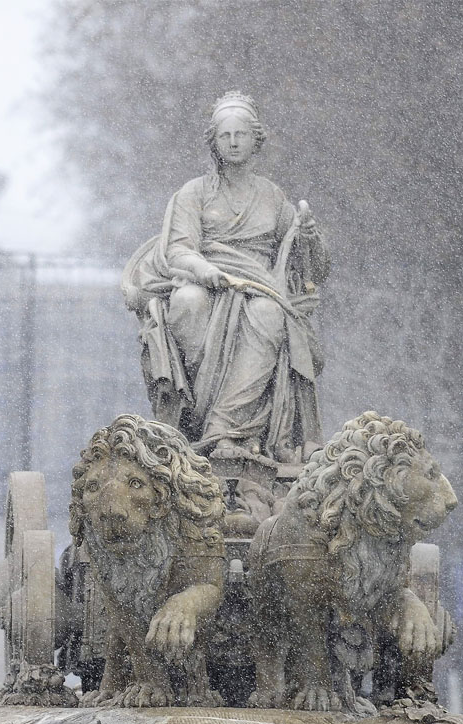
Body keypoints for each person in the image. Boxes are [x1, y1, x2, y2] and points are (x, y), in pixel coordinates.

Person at [121, 91, 329, 463]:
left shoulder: (272, 197)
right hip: (205, 282)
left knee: (269, 314)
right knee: (187, 302)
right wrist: (206, 271)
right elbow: (179, 249)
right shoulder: (193, 193)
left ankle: (223, 427)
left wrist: (310, 237)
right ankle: (196, 419)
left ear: (255, 140)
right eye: (225, 135)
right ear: (214, 143)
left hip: (259, 287)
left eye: (241, 134)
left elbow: (306, 266)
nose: (233, 142)